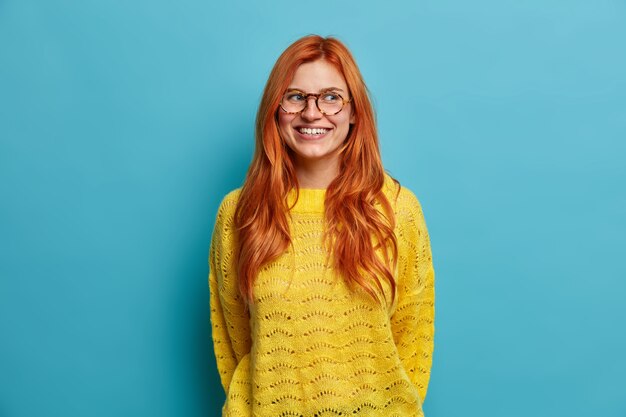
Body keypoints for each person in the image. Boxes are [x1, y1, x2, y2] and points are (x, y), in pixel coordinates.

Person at [208, 35, 435, 417]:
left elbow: (413, 338)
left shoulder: (397, 209)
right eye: (295, 97)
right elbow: (233, 342)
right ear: (275, 110)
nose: (312, 113)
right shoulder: (239, 213)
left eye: (331, 97)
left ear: (354, 113)